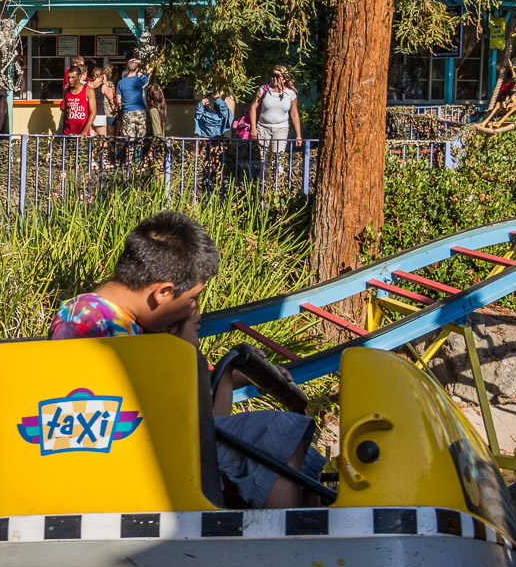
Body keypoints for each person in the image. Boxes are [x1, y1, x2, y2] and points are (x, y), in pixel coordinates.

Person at [49, 212, 324, 510]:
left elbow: (190, 410)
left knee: (303, 455)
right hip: (128, 454)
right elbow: (187, 419)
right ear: (163, 292)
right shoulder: (90, 322)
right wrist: (191, 354)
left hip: (153, 445)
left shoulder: (127, 324)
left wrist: (225, 373)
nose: (193, 309)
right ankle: (283, 540)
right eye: (193, 298)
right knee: (277, 429)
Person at [249, 65, 302, 169]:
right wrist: (254, 128)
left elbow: (294, 114)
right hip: (263, 128)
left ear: (284, 78)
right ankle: (264, 183)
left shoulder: (290, 93)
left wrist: (298, 135)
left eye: (277, 76)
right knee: (264, 160)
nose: (274, 78)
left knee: (278, 160)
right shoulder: (264, 89)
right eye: (272, 75)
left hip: (281, 129)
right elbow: (253, 107)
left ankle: (277, 183)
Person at [115, 57, 151, 142]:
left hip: (127, 112)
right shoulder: (139, 80)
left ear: (127, 69)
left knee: (129, 141)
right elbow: (149, 71)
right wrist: (141, 62)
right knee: (140, 140)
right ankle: (139, 155)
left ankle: (129, 155)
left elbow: (118, 100)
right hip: (140, 111)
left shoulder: (121, 82)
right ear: (137, 69)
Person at [60, 65, 93, 137]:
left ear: (79, 77)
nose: (70, 80)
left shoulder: (88, 90)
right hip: (68, 132)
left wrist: (84, 131)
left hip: (82, 132)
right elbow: (66, 112)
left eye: (73, 77)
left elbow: (93, 112)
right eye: (69, 77)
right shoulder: (66, 90)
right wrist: (63, 130)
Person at [89, 66, 113, 138]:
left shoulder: (87, 85)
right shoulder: (103, 86)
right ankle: (103, 149)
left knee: (91, 139)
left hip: (89, 114)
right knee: (102, 140)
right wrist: (105, 83)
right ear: (102, 76)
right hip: (99, 114)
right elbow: (111, 96)